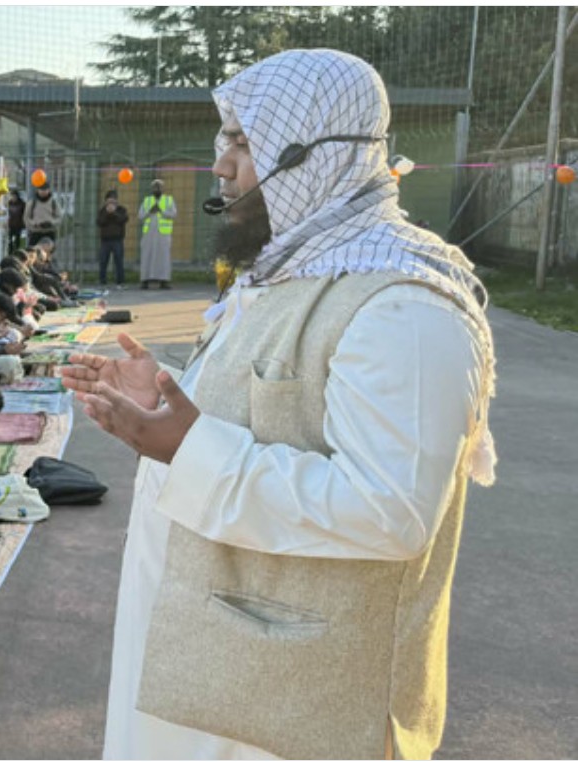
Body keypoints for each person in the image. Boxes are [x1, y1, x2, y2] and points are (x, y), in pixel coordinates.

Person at [60, 49, 498, 761]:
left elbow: (389, 512)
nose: (222, 166)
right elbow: (263, 412)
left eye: (242, 142)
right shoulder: (293, 272)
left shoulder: (404, 307)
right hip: (206, 666)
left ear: (316, 152)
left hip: (291, 711)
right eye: (223, 141)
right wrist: (174, 394)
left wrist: (184, 446)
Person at [139, 179, 177, 289]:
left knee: (163, 257)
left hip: (163, 234)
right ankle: (145, 280)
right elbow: (140, 215)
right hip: (148, 234)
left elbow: (173, 214)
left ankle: (164, 280)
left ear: (163, 188)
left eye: (159, 187)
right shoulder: (147, 200)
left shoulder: (168, 200)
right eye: (155, 187)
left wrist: (161, 211)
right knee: (147, 256)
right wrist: (149, 211)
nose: (157, 189)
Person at [97, 190, 130, 286]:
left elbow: (123, 219)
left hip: (117, 239)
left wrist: (114, 213)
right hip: (105, 240)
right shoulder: (102, 211)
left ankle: (120, 281)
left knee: (119, 261)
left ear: (116, 201)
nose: (111, 203)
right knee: (103, 261)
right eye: (109, 201)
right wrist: (107, 214)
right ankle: (102, 280)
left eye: (113, 201)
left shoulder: (121, 210)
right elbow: (100, 222)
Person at [24, 181, 62, 247]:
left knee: (47, 254)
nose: (43, 192)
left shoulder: (54, 203)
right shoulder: (32, 203)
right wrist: (35, 224)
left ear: (48, 190)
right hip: (35, 233)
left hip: (49, 233)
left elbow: (59, 217)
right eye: (41, 189)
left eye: (45, 189)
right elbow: (26, 218)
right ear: (37, 190)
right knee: (33, 253)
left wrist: (51, 223)